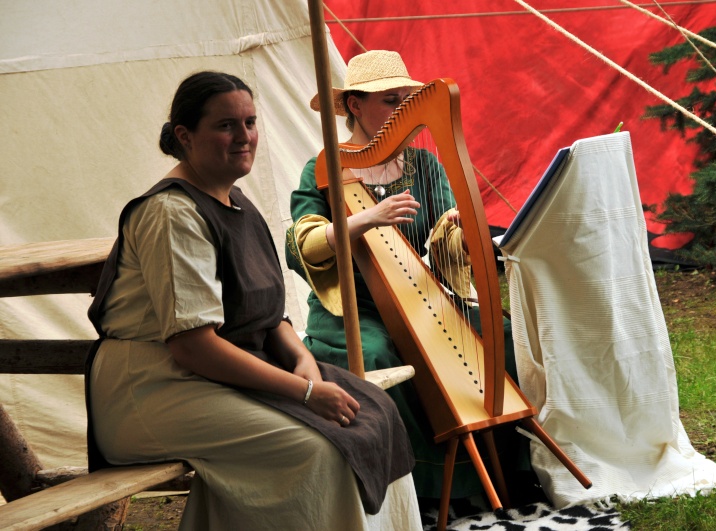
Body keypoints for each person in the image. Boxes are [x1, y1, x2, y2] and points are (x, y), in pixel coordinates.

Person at [85, 70, 422, 530]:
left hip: (220, 374)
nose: (244, 137)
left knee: (375, 415)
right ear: (185, 135)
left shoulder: (236, 202)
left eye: (250, 122)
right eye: (226, 125)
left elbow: (270, 315)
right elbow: (192, 346)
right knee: (315, 450)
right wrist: (305, 391)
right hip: (152, 390)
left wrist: (303, 361)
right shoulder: (171, 214)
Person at [286, 50, 522, 502]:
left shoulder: (424, 166)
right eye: (388, 101)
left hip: (418, 295)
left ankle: (506, 470)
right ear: (354, 106)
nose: (399, 112)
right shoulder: (323, 169)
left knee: (500, 335)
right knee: (376, 353)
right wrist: (366, 219)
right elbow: (302, 246)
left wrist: (461, 235)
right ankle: (417, 491)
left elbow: (442, 241)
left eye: (403, 102)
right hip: (350, 307)